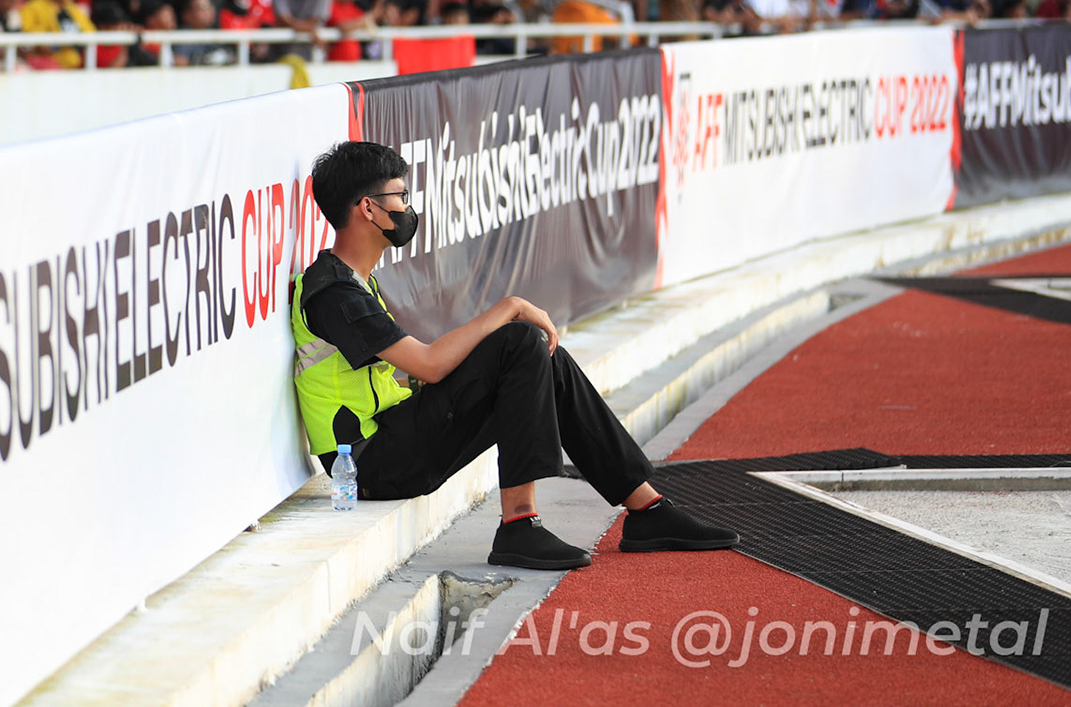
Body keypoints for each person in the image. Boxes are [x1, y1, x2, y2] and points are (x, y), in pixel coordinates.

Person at [293, 142, 740, 568]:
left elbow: (410, 376)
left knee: (544, 356)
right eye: (400, 196)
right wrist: (510, 307)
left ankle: (647, 508)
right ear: (367, 208)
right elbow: (428, 365)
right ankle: (518, 524)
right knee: (521, 339)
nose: (408, 208)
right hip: (370, 463)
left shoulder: (353, 281)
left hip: (392, 438)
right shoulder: (333, 292)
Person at [20, 0, 97, 69]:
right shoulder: (33, 7)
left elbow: (90, 31)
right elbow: (26, 32)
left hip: (73, 67)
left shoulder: (74, 9)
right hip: (43, 67)